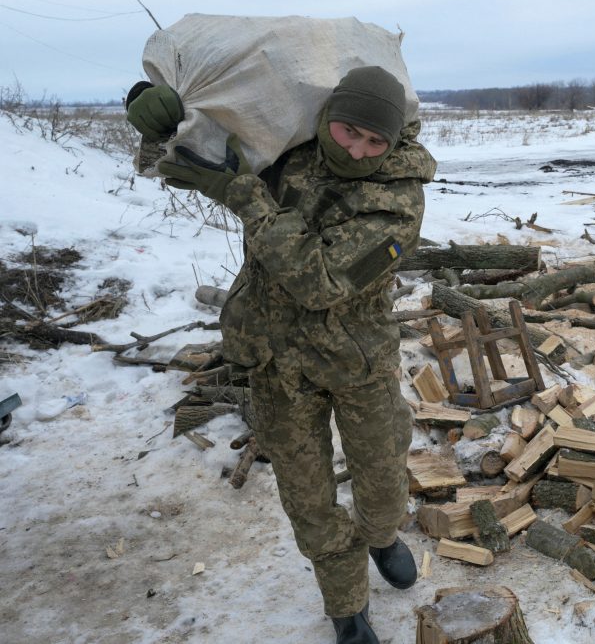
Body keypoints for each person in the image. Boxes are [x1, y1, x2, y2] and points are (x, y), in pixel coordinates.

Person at [126, 66, 436, 644]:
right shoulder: (287, 152)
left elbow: (318, 284)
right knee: (307, 495)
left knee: (382, 472)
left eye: (375, 141)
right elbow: (181, 165)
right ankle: (346, 607)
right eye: (348, 131)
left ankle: (383, 535)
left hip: (354, 361)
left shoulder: (398, 203)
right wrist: (160, 119)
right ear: (325, 118)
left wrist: (245, 196)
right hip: (275, 359)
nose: (358, 150)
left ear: (394, 144)